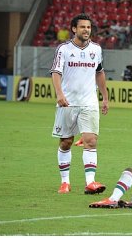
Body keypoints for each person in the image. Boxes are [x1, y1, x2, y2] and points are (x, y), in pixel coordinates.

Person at [49, 13, 109, 195]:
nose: (86, 30)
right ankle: (65, 182)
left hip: (89, 102)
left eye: (89, 27)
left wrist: (105, 97)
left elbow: (99, 72)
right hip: (68, 102)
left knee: (91, 141)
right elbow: (56, 72)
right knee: (66, 142)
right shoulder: (64, 49)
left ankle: (90, 183)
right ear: (74, 29)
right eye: (83, 27)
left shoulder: (96, 49)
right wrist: (59, 94)